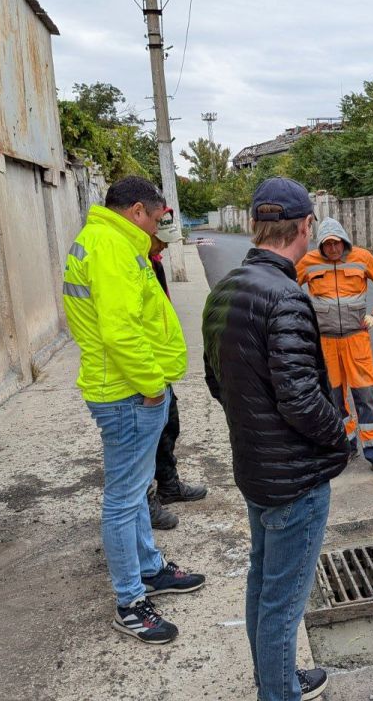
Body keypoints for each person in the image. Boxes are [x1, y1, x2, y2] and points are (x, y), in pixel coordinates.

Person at [202, 177, 348, 701]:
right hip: (295, 478)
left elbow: (216, 380)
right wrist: (342, 439)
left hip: (257, 469)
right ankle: (278, 692)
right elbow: (302, 400)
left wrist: (255, 427)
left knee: (264, 585)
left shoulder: (226, 289)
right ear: (306, 227)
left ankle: (277, 678)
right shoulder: (286, 297)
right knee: (284, 600)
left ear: (253, 226)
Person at [63, 177, 205, 645]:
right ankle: (129, 602)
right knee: (124, 499)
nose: (159, 228)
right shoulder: (111, 246)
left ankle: (149, 569)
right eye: (159, 219)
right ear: (139, 209)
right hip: (126, 392)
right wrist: (150, 387)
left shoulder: (115, 240)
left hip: (129, 388)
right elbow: (119, 330)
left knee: (138, 487)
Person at [296, 217, 373, 479]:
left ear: (344, 241)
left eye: (336, 243)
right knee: (332, 399)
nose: (332, 249)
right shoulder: (308, 263)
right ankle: (345, 446)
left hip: (357, 340)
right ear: (320, 245)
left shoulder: (362, 258)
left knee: (366, 397)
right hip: (326, 343)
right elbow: (286, 289)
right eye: (327, 244)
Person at [145, 208, 208, 531]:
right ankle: (148, 499)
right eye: (162, 241)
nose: (166, 248)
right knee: (145, 439)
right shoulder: (133, 263)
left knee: (169, 425)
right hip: (142, 372)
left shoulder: (152, 262)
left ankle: (169, 484)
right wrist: (150, 384)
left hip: (159, 365)